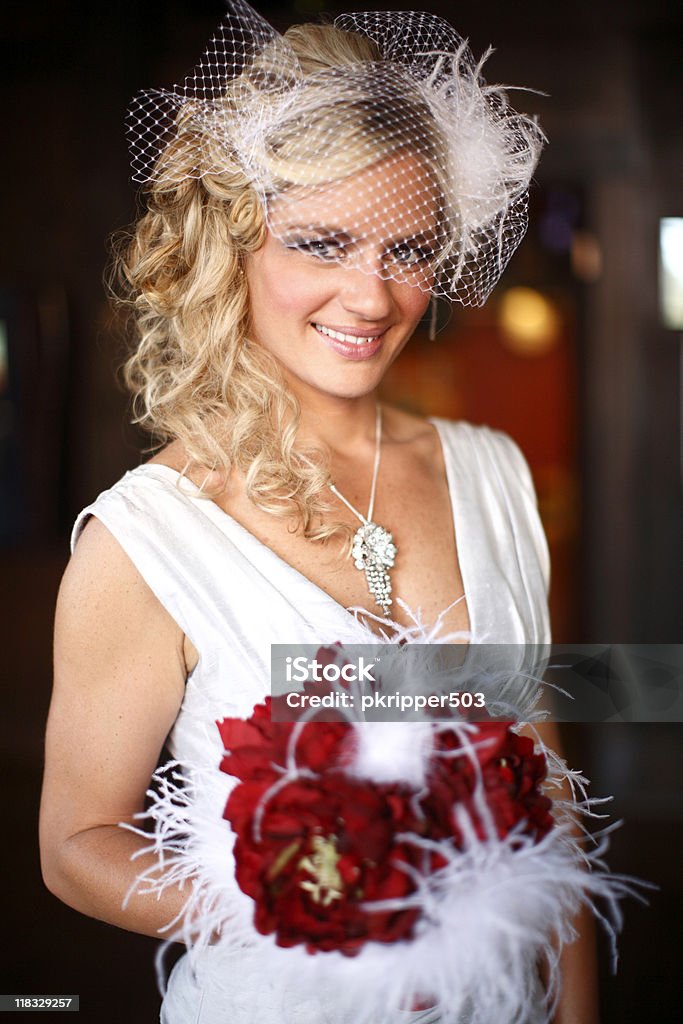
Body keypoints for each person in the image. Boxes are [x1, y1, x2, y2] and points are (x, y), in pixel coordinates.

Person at [40, 3, 603, 1022]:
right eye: (321, 242)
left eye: (408, 248)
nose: (371, 296)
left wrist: (574, 1011)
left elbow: (545, 777)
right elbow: (75, 846)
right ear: (236, 240)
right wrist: (315, 913)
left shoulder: (493, 474)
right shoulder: (142, 539)